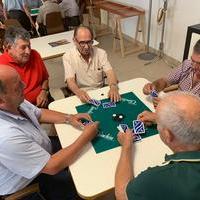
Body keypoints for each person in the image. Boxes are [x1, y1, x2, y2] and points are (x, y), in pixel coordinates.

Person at [0, 65, 99, 199]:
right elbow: (52, 167)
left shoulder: (14, 101)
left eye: (20, 81)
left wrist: (69, 118)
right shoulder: (6, 136)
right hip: (30, 182)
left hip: (42, 149)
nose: (24, 86)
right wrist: (86, 135)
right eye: (18, 86)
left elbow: (38, 113)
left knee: (88, 154)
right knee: (86, 182)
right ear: (1, 100)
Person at [115, 91, 200, 200]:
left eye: (159, 124)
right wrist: (159, 118)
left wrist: (126, 146)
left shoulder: (157, 178)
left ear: (167, 135)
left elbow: (122, 194)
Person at [63, 26, 121, 103]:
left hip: (100, 91)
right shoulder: (67, 57)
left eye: (89, 42)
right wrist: (78, 92)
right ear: (74, 41)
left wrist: (113, 87)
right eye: (82, 43)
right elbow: (70, 80)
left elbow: (110, 72)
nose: (86, 47)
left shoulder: (101, 53)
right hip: (82, 94)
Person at [0, 26, 52, 108]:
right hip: (19, 109)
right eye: (23, 47)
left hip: (44, 101)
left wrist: (44, 91)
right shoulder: (1, 66)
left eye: (29, 46)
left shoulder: (35, 54)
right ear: (9, 47)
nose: (28, 51)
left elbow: (45, 78)